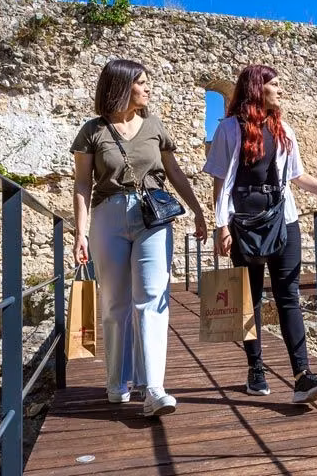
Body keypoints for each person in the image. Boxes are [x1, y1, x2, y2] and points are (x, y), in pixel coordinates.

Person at [203, 64, 317, 403]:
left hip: (283, 219)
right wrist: (221, 225)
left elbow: (298, 177)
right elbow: (220, 181)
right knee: (250, 300)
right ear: (257, 89)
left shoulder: (283, 130)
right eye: (275, 85)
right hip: (244, 224)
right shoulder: (229, 130)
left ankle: (302, 375)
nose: (281, 90)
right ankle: (256, 369)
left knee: (288, 294)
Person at [71, 59, 207, 417]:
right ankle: (117, 382)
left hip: (152, 215)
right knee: (115, 303)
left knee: (152, 297)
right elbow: (83, 184)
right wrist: (79, 233)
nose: (148, 89)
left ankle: (154, 388)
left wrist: (196, 209)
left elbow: (174, 172)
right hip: (107, 215)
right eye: (142, 83)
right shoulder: (92, 131)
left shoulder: (154, 126)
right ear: (122, 86)